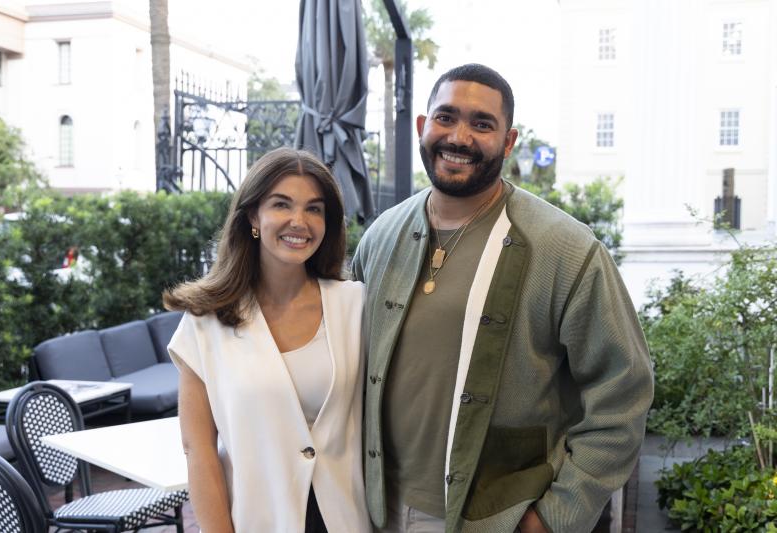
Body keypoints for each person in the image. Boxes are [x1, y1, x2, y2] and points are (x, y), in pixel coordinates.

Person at [351, 64, 654, 533]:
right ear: (423, 126)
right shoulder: (381, 236)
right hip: (373, 506)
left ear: (508, 142)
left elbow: (624, 391)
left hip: (492, 517)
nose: (459, 137)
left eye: (482, 124)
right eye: (446, 117)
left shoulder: (565, 249)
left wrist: (555, 516)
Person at [164, 147, 371, 532]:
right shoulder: (205, 323)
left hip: (348, 520)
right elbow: (198, 450)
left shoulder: (355, 305)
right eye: (281, 204)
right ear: (252, 217)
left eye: (314, 209)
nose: (299, 221)